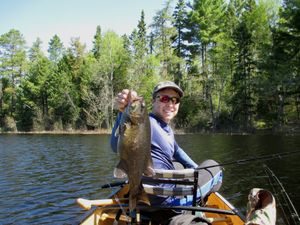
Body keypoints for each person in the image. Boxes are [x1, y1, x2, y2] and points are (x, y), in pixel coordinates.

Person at [110, 81, 223, 206]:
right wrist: (123, 111)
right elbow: (116, 145)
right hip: (170, 202)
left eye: (175, 100)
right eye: (164, 98)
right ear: (153, 101)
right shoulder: (147, 122)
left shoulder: (166, 128)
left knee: (179, 164)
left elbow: (177, 151)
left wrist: (196, 168)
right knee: (214, 167)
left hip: (150, 198)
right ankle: (196, 201)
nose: (170, 104)